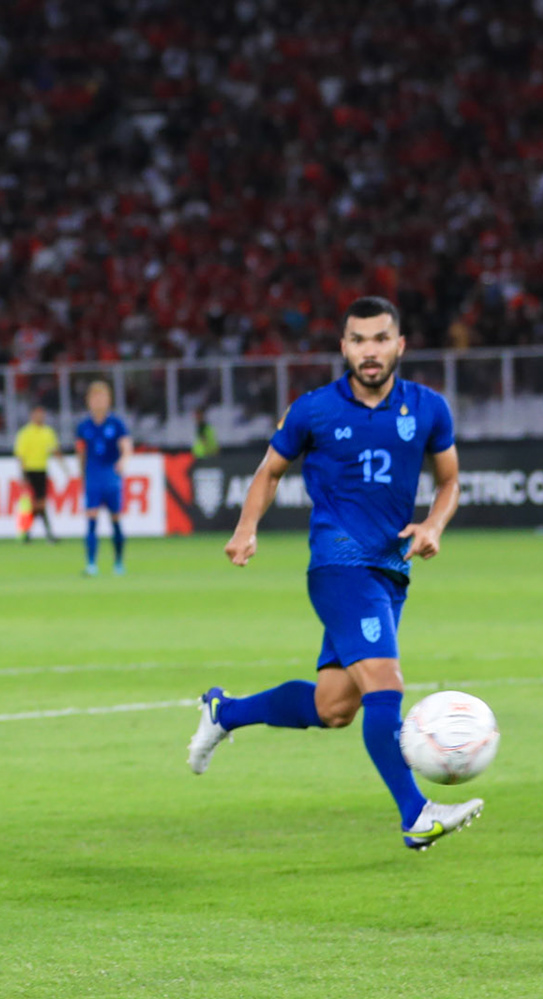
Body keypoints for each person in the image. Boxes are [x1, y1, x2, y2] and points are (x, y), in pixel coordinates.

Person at [187, 297, 482, 849]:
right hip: (339, 566)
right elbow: (270, 471)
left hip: (391, 570)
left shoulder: (428, 408)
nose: (369, 351)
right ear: (343, 346)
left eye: (379, 339)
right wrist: (246, 527)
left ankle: (224, 712)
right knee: (385, 685)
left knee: (335, 707)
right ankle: (416, 814)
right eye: (357, 340)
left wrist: (434, 525)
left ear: (400, 345)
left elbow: (449, 481)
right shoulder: (315, 409)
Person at [74, 380, 129, 576]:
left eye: (102, 397)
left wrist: (123, 460)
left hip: (111, 475)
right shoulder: (83, 426)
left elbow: (126, 446)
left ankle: (119, 563)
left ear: (109, 400)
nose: (98, 401)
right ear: (89, 401)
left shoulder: (117, 424)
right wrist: (82, 475)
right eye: (95, 397)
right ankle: (91, 564)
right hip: (93, 476)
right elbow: (81, 453)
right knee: (91, 519)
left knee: (115, 519)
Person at [12, 403, 61, 543]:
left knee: (40, 504)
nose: (40, 417)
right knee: (35, 504)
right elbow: (20, 455)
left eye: (42, 414)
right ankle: (46, 533)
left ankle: (27, 533)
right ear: (32, 416)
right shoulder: (25, 433)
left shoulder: (48, 432)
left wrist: (63, 465)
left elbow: (54, 450)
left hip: (42, 471)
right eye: (37, 414)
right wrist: (23, 475)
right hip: (30, 471)